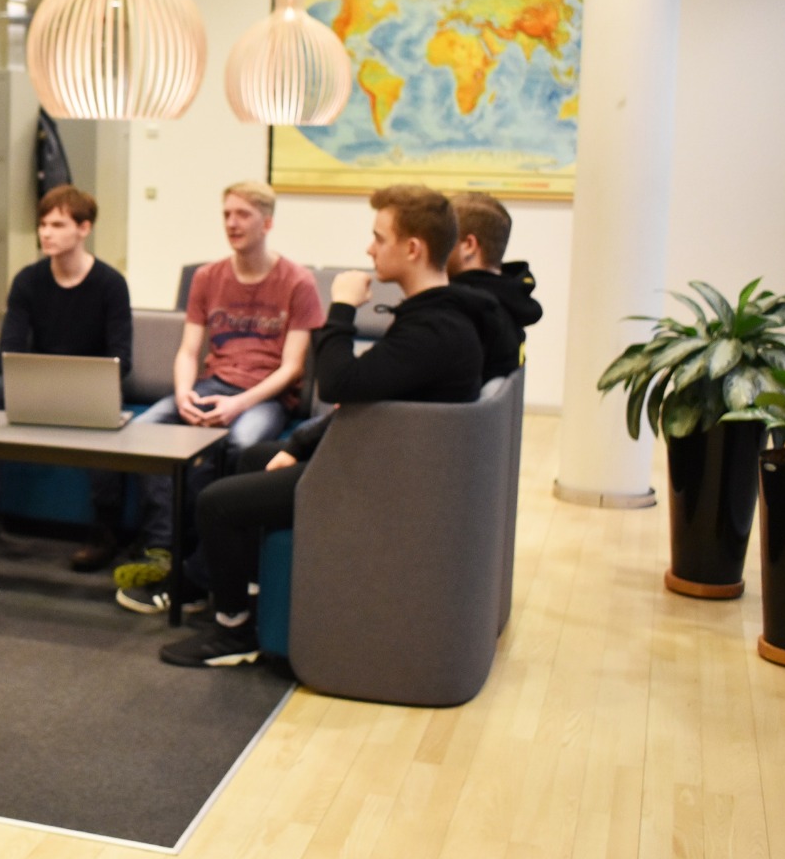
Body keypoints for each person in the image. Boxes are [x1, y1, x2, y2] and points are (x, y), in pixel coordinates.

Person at [158, 185, 517, 668]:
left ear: (412, 249)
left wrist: (343, 306)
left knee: (217, 503)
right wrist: (303, 441)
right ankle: (247, 591)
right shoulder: (438, 317)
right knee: (250, 457)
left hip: (379, 475)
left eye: (378, 237)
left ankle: (232, 633)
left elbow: (337, 383)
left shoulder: (433, 330)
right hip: (381, 451)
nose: (370, 249)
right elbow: (367, 403)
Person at [114, 181, 323, 604]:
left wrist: (238, 404)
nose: (231, 223)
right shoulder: (209, 277)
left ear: (267, 222)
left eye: (242, 215)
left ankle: (214, 560)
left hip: (262, 396)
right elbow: (189, 349)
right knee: (147, 426)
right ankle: (162, 546)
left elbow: (292, 367)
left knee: (242, 441)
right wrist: (185, 392)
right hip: (212, 386)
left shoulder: (297, 282)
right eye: (226, 214)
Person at [0, 184, 134, 570]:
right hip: (36, 382)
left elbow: (122, 358)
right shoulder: (28, 280)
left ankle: (104, 527)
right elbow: (9, 350)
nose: (46, 232)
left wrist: (87, 379)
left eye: (57, 224)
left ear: (84, 228)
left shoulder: (110, 284)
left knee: (109, 416)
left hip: (90, 386)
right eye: (43, 224)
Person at [447, 191, 543, 365]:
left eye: (442, 238)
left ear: (468, 245)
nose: (435, 247)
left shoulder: (464, 314)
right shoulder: (509, 300)